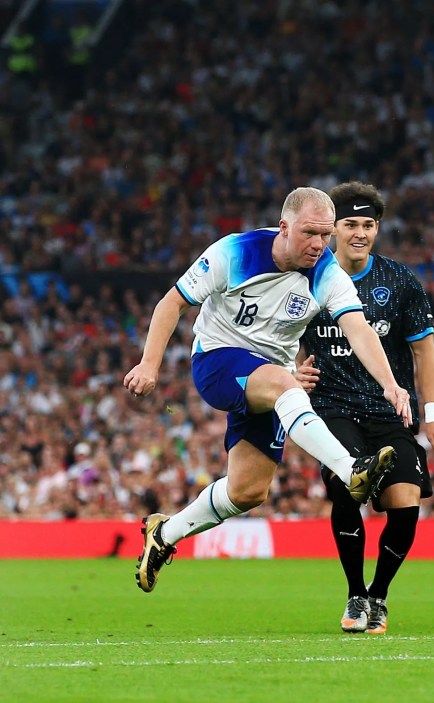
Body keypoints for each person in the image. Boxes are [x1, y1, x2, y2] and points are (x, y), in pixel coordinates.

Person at [124, 186, 412, 593]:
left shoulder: (328, 273)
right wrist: (149, 364)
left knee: (248, 491)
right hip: (219, 361)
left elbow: (358, 329)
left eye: (325, 234)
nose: (319, 244)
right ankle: (352, 470)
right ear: (284, 227)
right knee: (283, 382)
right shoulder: (233, 253)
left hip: (272, 377)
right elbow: (171, 304)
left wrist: (391, 385)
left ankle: (165, 534)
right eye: (310, 233)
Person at [297, 182, 434, 634]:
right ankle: (353, 592)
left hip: (390, 410)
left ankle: (378, 597)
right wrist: (292, 372)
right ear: (332, 230)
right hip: (332, 408)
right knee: (350, 483)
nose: (360, 233)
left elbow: (426, 355)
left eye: (369, 224)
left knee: (404, 501)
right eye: (350, 224)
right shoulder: (305, 278)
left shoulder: (401, 282)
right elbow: (279, 334)